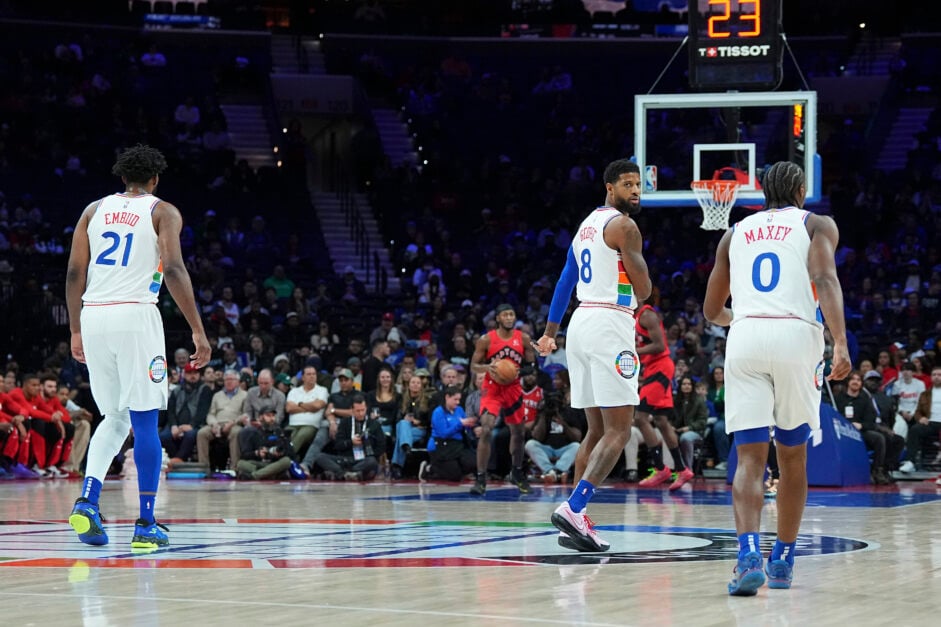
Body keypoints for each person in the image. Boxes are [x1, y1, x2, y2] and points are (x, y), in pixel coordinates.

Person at [702, 161, 850, 595]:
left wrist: (745, 319)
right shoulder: (817, 223)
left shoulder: (734, 232)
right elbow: (824, 277)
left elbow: (712, 312)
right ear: (802, 190)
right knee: (792, 458)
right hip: (795, 335)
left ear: (763, 190)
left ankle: (747, 552)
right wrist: (839, 342)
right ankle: (782, 559)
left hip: (745, 335)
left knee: (749, 458)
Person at [65, 143, 211, 549]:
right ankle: (146, 523)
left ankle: (89, 502)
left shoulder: (92, 210)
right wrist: (198, 330)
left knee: (113, 416)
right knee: (144, 421)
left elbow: (76, 270)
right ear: (155, 179)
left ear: (121, 177)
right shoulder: (163, 210)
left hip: (94, 315)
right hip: (135, 316)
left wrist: (75, 329)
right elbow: (175, 269)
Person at [534, 158, 652, 552]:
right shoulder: (625, 226)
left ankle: (575, 517)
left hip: (580, 326)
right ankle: (575, 507)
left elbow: (567, 278)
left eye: (638, 184)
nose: (635, 190)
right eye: (627, 184)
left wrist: (551, 332)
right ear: (609, 187)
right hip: (609, 324)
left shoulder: (586, 225)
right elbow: (646, 289)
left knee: (597, 431)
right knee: (620, 429)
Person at [469, 303, 538, 496]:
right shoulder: (486, 340)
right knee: (486, 428)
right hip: (492, 388)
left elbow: (532, 367)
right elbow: (474, 366)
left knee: (518, 433)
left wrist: (519, 371)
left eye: (512, 314)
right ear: (498, 318)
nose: (509, 318)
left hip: (513, 387)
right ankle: (481, 477)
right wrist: (487, 369)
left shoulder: (523, 338)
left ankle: (516, 472)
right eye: (505, 315)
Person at [633, 300, 694, 490]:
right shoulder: (634, 316)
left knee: (640, 418)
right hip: (654, 368)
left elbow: (660, 346)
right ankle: (682, 469)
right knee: (661, 421)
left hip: (660, 367)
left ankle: (660, 467)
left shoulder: (646, 315)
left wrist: (634, 351)